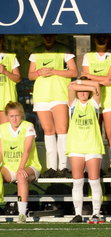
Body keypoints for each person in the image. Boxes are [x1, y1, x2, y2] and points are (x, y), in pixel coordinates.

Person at [28, 34, 78, 177]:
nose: (48, 37)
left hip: (60, 94)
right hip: (41, 96)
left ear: (55, 35)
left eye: (50, 35)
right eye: (45, 35)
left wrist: (54, 71)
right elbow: (30, 75)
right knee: (48, 130)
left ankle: (64, 166)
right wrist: (39, 72)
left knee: (62, 129)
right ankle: (52, 167)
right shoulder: (36, 51)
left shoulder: (64, 50)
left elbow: (74, 72)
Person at [81, 35, 111, 177]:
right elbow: (86, 78)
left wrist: (91, 77)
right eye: (98, 37)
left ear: (108, 39)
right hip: (93, 98)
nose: (101, 39)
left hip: (110, 99)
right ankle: (93, 167)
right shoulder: (88, 56)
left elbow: (110, 80)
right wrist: (102, 80)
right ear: (94, 39)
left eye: (104, 37)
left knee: (110, 132)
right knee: (94, 133)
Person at [66, 78, 105, 224]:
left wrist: (87, 86)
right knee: (77, 182)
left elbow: (96, 85)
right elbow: (71, 87)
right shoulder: (73, 104)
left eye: (85, 91)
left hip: (93, 146)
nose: (82, 93)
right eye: (80, 91)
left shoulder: (93, 103)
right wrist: (83, 85)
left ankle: (96, 214)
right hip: (76, 147)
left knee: (94, 181)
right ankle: (78, 214)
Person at [0, 102, 41, 222]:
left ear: (22, 115)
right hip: (9, 166)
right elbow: (1, 151)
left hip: (29, 165)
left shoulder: (28, 126)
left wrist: (21, 168)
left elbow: (27, 151)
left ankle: (22, 213)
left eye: (17, 115)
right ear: (7, 116)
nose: (14, 119)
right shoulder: (2, 128)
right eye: (11, 116)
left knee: (21, 176)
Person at [0, 36, 21, 124]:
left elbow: (18, 79)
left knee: (5, 129)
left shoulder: (11, 57)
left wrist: (5, 71)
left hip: (7, 101)